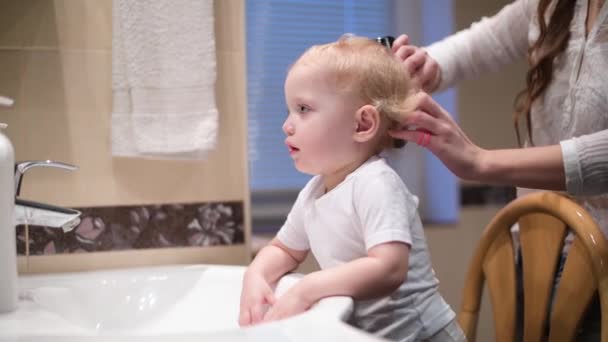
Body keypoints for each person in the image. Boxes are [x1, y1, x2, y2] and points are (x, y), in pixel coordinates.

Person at [389, 0, 608, 340]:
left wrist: (481, 162)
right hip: (536, 250)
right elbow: (477, 46)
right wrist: (423, 67)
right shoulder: (549, 7)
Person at [238, 35, 466, 342]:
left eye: (303, 109)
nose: (287, 125)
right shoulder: (315, 191)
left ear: (362, 125)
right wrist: (256, 275)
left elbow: (389, 268)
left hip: (424, 336)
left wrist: (308, 288)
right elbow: (283, 249)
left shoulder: (376, 184)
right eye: (290, 110)